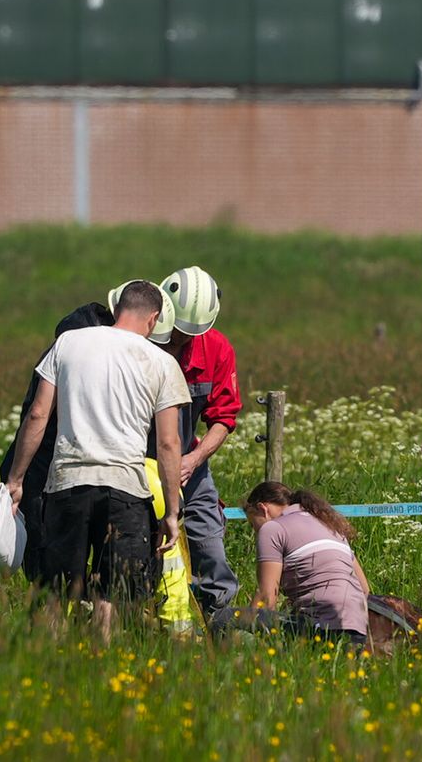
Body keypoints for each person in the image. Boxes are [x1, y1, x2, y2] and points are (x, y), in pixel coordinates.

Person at [5, 280, 189, 642]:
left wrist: (16, 480)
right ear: (153, 319)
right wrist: (170, 513)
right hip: (126, 491)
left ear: (118, 308)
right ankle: (101, 665)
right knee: (112, 593)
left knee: (56, 590)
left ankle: (49, 662)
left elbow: (39, 415)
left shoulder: (68, 343)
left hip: (67, 483)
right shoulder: (162, 362)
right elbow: (168, 444)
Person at [147, 266, 242, 626]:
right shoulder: (141, 341)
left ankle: (223, 625)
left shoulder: (217, 348)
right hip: (138, 462)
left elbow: (224, 416)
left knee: (208, 544)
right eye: (175, 333)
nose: (180, 342)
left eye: (188, 335)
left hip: (191, 463)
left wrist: (194, 458)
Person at [240, 481, 371, 645]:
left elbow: (267, 599)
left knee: (225, 621)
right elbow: (365, 590)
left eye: (253, 525)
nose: (255, 532)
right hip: (360, 628)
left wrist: (244, 627)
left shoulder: (271, 529)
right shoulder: (329, 525)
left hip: (320, 628)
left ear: (262, 509)